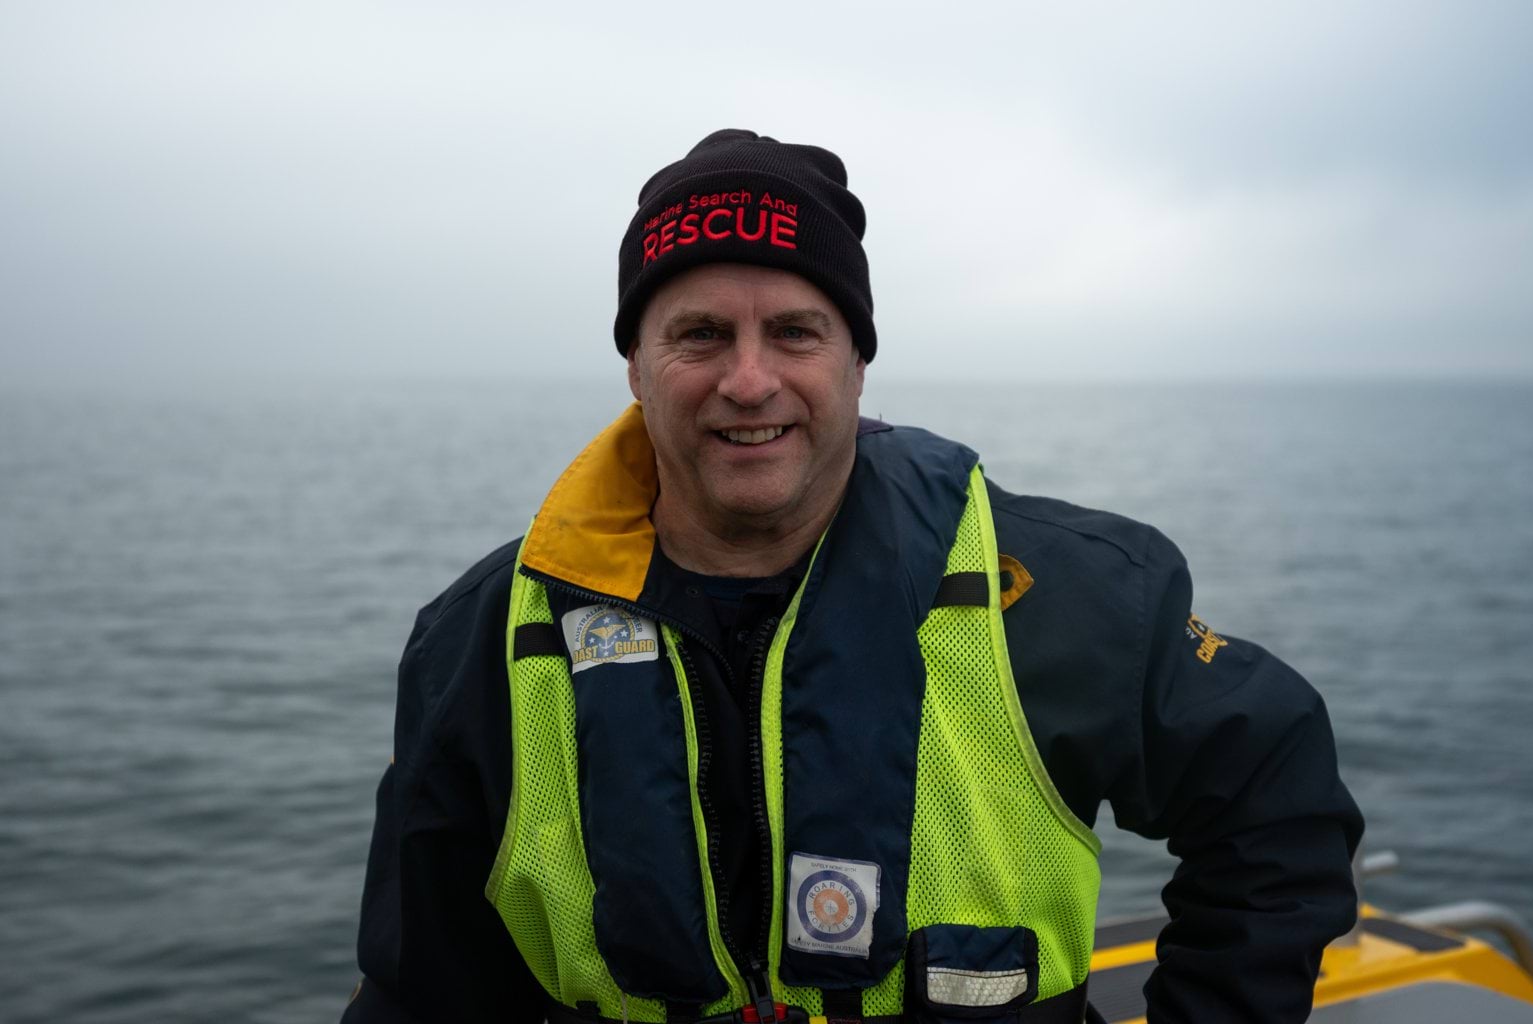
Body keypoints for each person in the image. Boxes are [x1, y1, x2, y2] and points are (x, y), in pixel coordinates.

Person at [341, 129, 1363, 1024]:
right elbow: (421, 987)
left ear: (856, 361)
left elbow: (1276, 800)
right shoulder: (485, 638)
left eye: (794, 330)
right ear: (636, 365)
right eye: (699, 333)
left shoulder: (1053, 592)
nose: (749, 379)